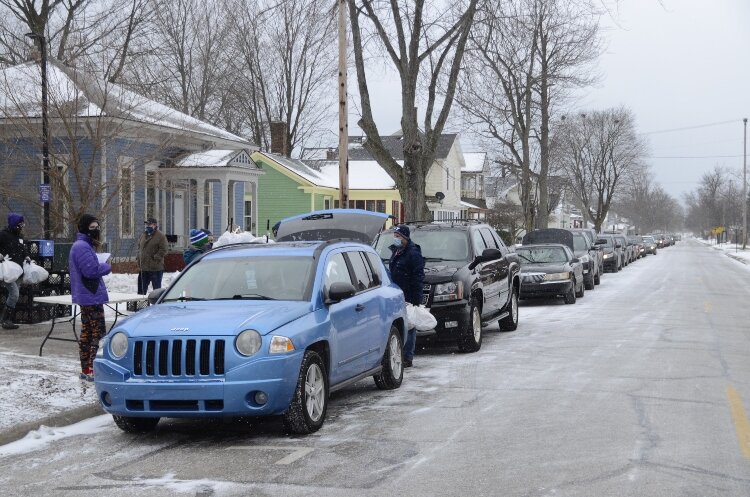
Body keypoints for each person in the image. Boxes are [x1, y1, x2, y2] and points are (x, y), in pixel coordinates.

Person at [69, 214, 111, 381]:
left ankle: (87, 368)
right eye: (92, 228)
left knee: (87, 331)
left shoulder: (83, 245)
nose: (96, 230)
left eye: (97, 227)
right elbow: (90, 271)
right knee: (97, 333)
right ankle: (93, 368)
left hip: (87, 295)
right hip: (91, 295)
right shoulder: (82, 247)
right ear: (84, 228)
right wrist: (106, 266)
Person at [388, 224, 424, 368]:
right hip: (397, 294)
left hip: (408, 294)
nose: (395, 239)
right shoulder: (396, 251)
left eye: (398, 236)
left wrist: (417, 298)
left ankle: (408, 356)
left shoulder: (413, 254)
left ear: (405, 238)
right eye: (394, 236)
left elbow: (418, 276)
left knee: (409, 325)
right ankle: (401, 353)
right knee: (400, 324)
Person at [0, 213, 29, 329]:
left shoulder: (19, 236)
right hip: (7, 270)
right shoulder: (3, 235)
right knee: (14, 294)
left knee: (14, 295)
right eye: (20, 224)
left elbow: (23, 249)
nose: (22, 226)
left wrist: (27, 256)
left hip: (18, 271)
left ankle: (8, 319)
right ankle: (5, 320)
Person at [136, 217, 168, 295]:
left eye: (149, 224)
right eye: (146, 224)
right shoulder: (143, 235)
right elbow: (139, 247)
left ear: (154, 225)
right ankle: (141, 306)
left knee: (156, 292)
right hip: (143, 268)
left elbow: (164, 250)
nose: (147, 226)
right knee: (141, 292)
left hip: (155, 268)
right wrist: (138, 258)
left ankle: (156, 306)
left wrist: (155, 258)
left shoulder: (161, 236)